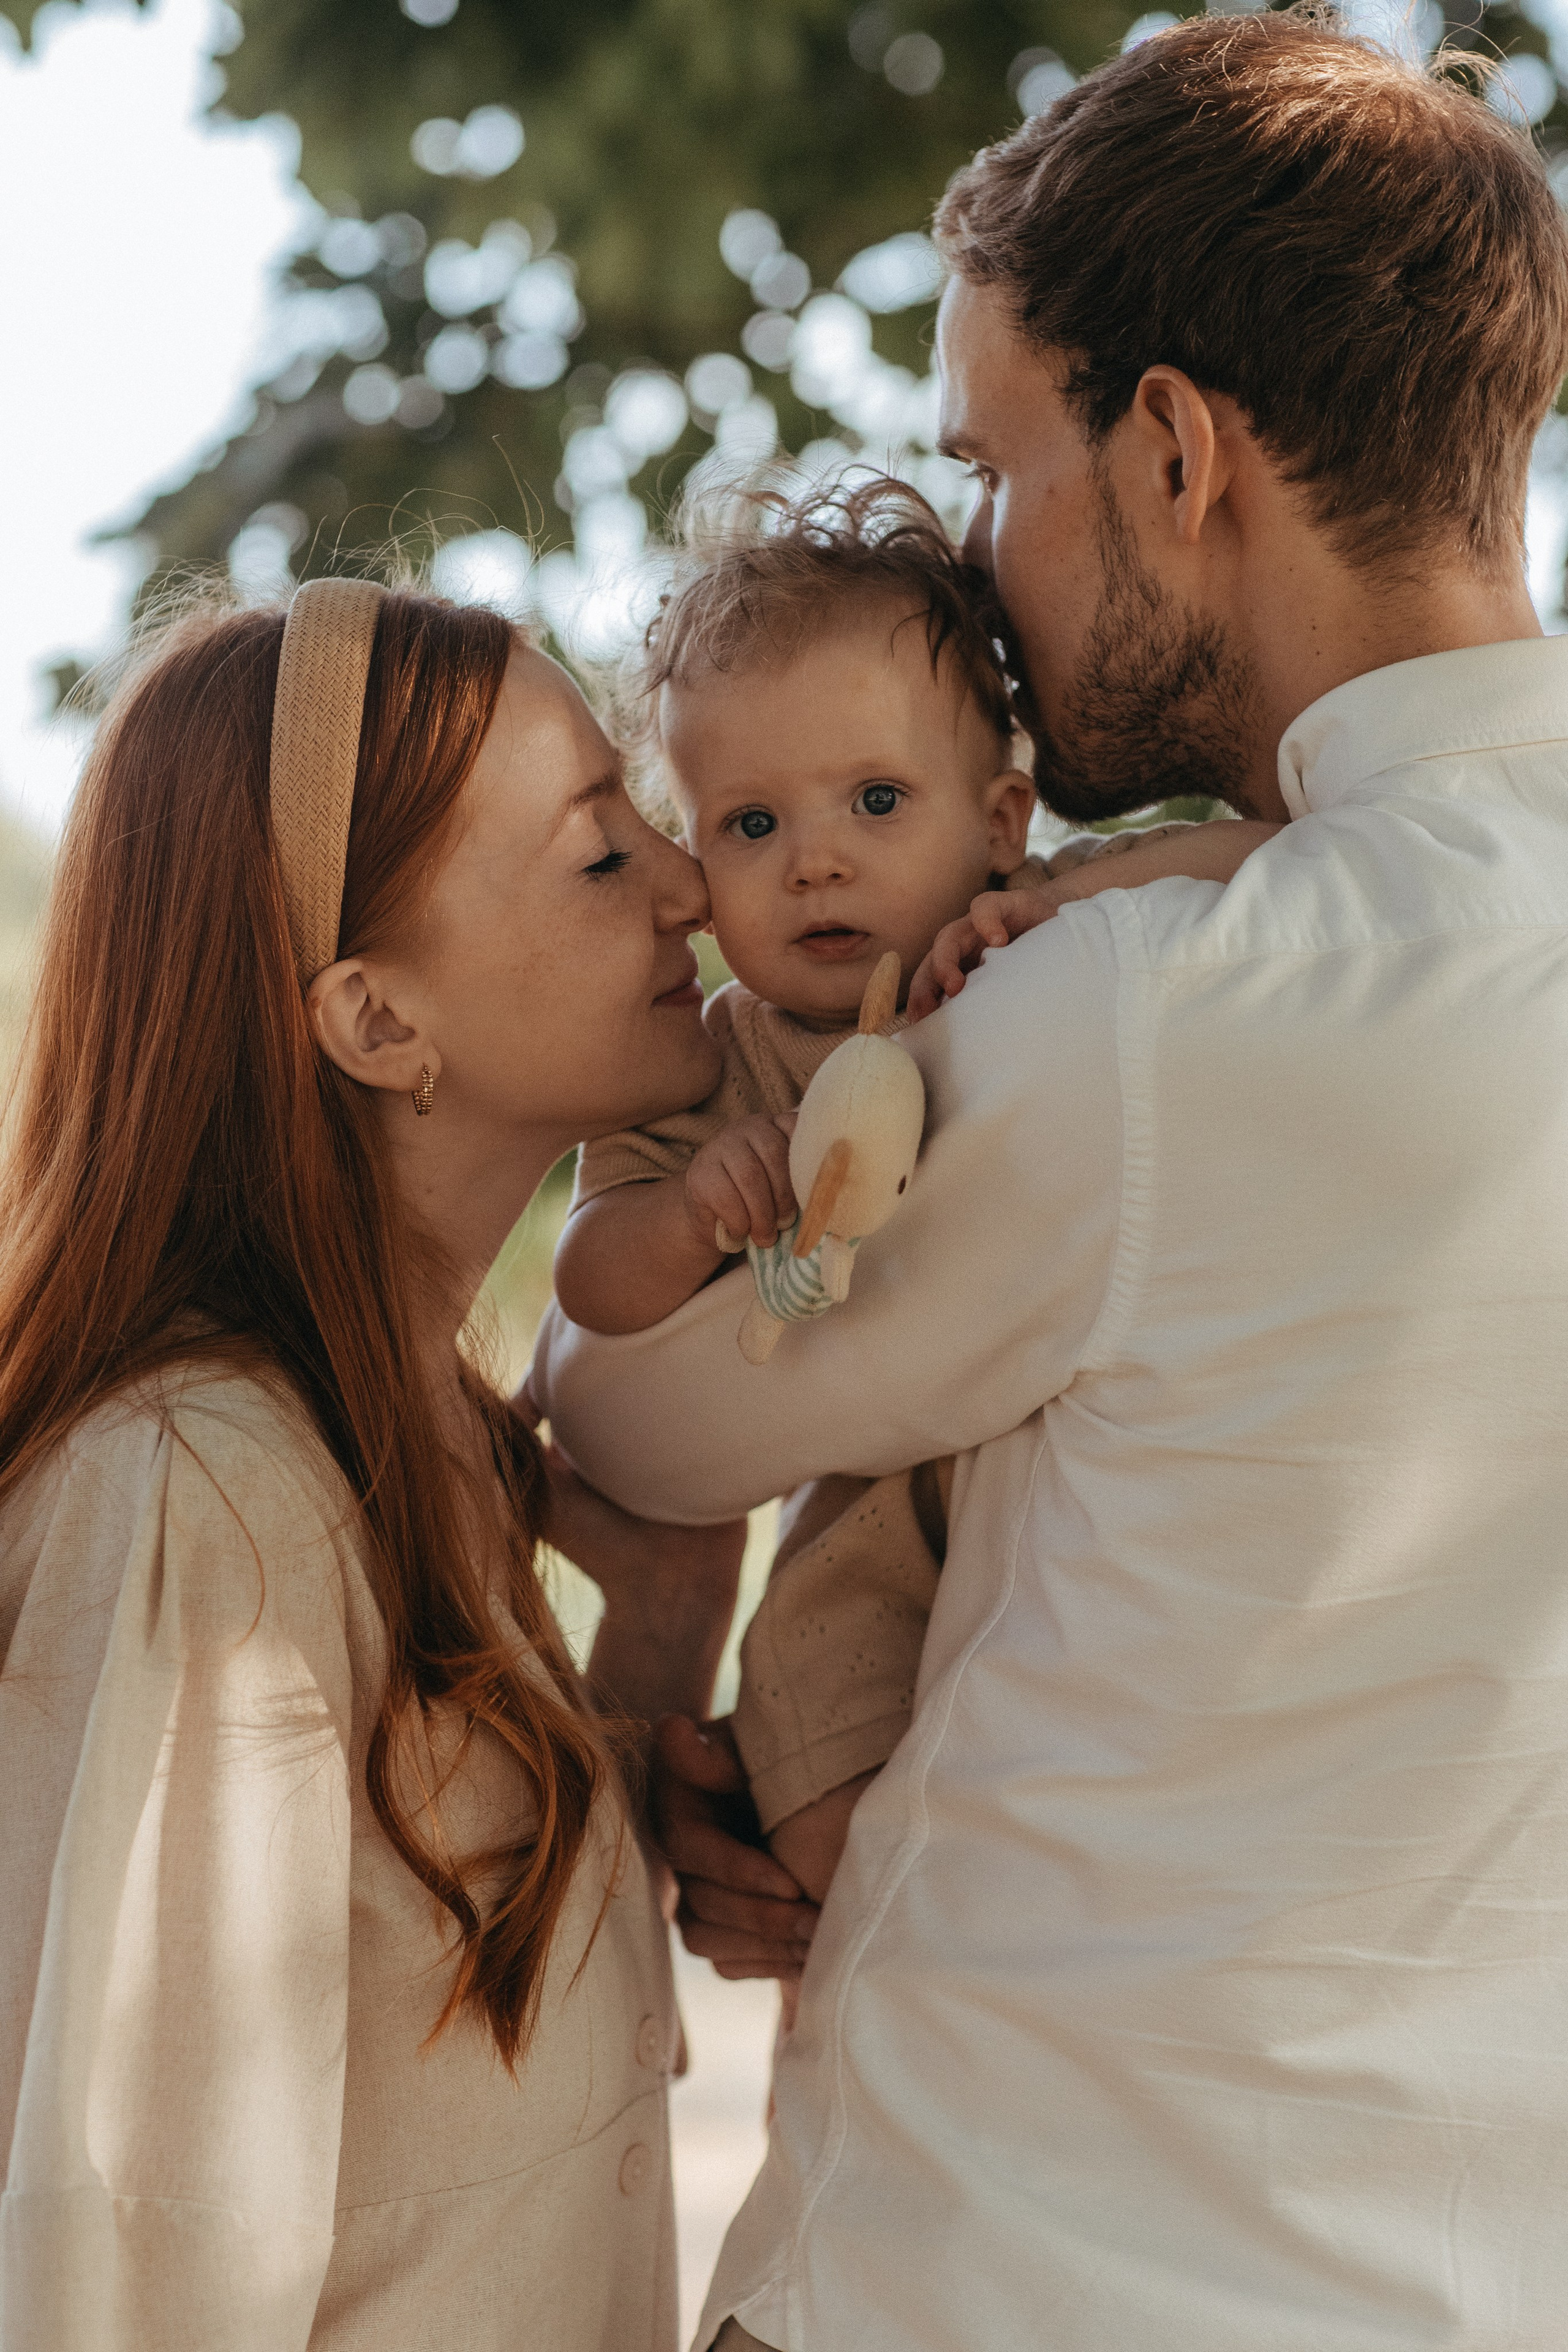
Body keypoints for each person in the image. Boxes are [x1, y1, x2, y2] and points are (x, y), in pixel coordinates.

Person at [530, 15, 1568, 2350]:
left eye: (996, 464)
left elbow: (636, 1425)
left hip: (1019, 2274)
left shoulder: (1150, 1010)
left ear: (1178, 449)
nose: (982, 554)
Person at [0, 579, 780, 2351]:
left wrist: (657, 1632)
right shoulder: (204, 1499)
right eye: (599, 855)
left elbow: (443, 2106)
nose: (689, 884)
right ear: (373, 1022)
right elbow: (135, 2262)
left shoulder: (428, 1443)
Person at [552, 473, 1272, 1904]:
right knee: (826, 1822)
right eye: (746, 825)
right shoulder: (714, 1063)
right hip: (866, 1529)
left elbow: (1258, 857)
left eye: (875, 801)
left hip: (1083, 1503)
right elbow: (588, 1283)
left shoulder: (1036, 941)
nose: (812, 858)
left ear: (999, 817)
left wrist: (1058, 907)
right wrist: (698, 1205)